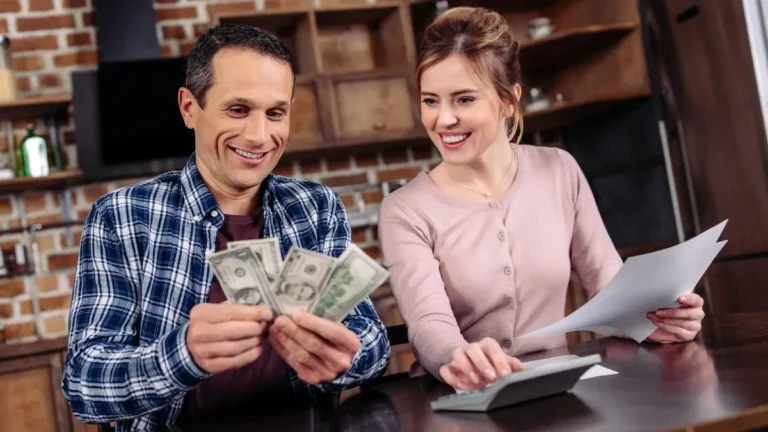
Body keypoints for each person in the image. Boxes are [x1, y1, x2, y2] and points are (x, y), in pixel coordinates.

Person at [63, 24, 390, 431]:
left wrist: (346, 359)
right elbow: (83, 385)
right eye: (238, 110)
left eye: (275, 113)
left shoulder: (316, 208)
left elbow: (374, 343)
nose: (259, 136)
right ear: (188, 108)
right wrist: (183, 355)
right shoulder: (122, 216)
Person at [378, 7, 705, 392]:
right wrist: (455, 357)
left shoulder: (559, 169)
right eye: (430, 100)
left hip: (557, 389)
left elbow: (610, 287)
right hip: (458, 399)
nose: (443, 119)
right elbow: (428, 323)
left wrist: (658, 319)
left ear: (509, 100)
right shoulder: (404, 209)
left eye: (464, 100)